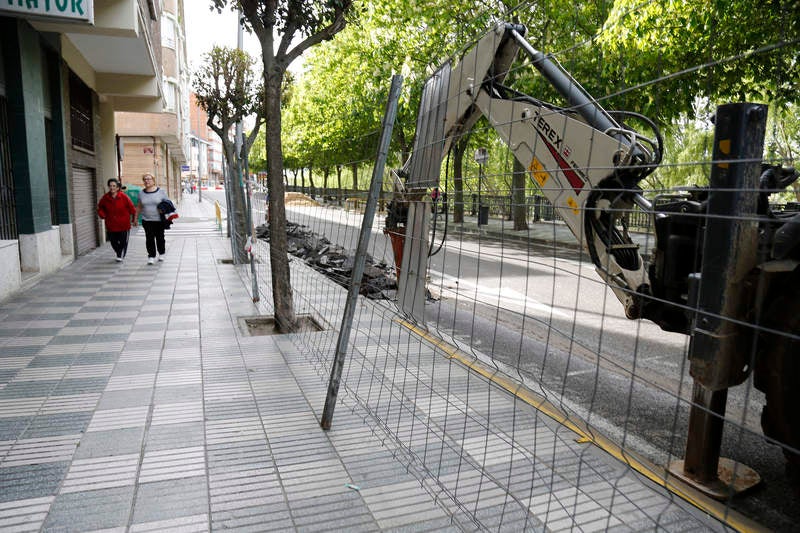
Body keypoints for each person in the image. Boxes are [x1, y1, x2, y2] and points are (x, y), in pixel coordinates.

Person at [97, 178, 137, 262]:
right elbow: (100, 207)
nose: (112, 188)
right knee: (113, 242)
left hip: (124, 225)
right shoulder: (105, 198)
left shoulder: (124, 197)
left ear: (118, 187)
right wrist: (102, 215)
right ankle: (119, 252)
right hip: (111, 224)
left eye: (114, 186)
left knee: (123, 241)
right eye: (110, 186)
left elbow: (132, 209)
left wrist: (134, 220)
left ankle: (120, 254)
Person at [136, 173, 170, 265]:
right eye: (145, 179)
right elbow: (139, 206)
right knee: (149, 238)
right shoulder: (141, 193)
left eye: (149, 179)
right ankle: (151, 256)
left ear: (153, 180)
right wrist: (135, 218)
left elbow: (168, 203)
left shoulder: (161, 191)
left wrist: (163, 209)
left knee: (160, 238)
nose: (147, 181)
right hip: (146, 220)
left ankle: (161, 253)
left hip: (159, 220)